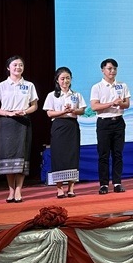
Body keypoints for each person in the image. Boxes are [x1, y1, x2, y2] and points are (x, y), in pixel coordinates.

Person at [0, 55, 38, 203]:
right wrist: (7, 113)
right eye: (15, 65)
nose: (18, 67)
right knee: (8, 156)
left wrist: (25, 111)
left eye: (20, 65)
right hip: (7, 123)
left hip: (23, 122)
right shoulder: (1, 86)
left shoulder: (29, 85)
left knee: (23, 156)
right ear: (8, 68)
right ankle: (10, 190)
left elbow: (34, 106)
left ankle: (18, 190)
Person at [43, 67, 86, 198]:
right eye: (62, 78)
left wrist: (73, 110)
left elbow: (82, 110)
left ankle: (71, 188)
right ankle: (59, 188)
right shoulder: (52, 95)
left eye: (68, 78)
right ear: (57, 80)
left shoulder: (76, 95)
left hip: (72, 126)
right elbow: (49, 113)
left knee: (73, 155)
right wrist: (63, 112)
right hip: (58, 126)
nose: (65, 81)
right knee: (58, 155)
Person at [90, 58, 130, 195]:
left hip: (118, 121)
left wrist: (120, 103)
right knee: (104, 154)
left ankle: (117, 183)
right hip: (104, 123)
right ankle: (104, 184)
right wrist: (111, 103)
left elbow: (127, 104)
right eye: (109, 68)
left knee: (118, 154)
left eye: (114, 69)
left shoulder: (122, 85)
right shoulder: (97, 87)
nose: (112, 71)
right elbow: (94, 106)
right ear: (103, 70)